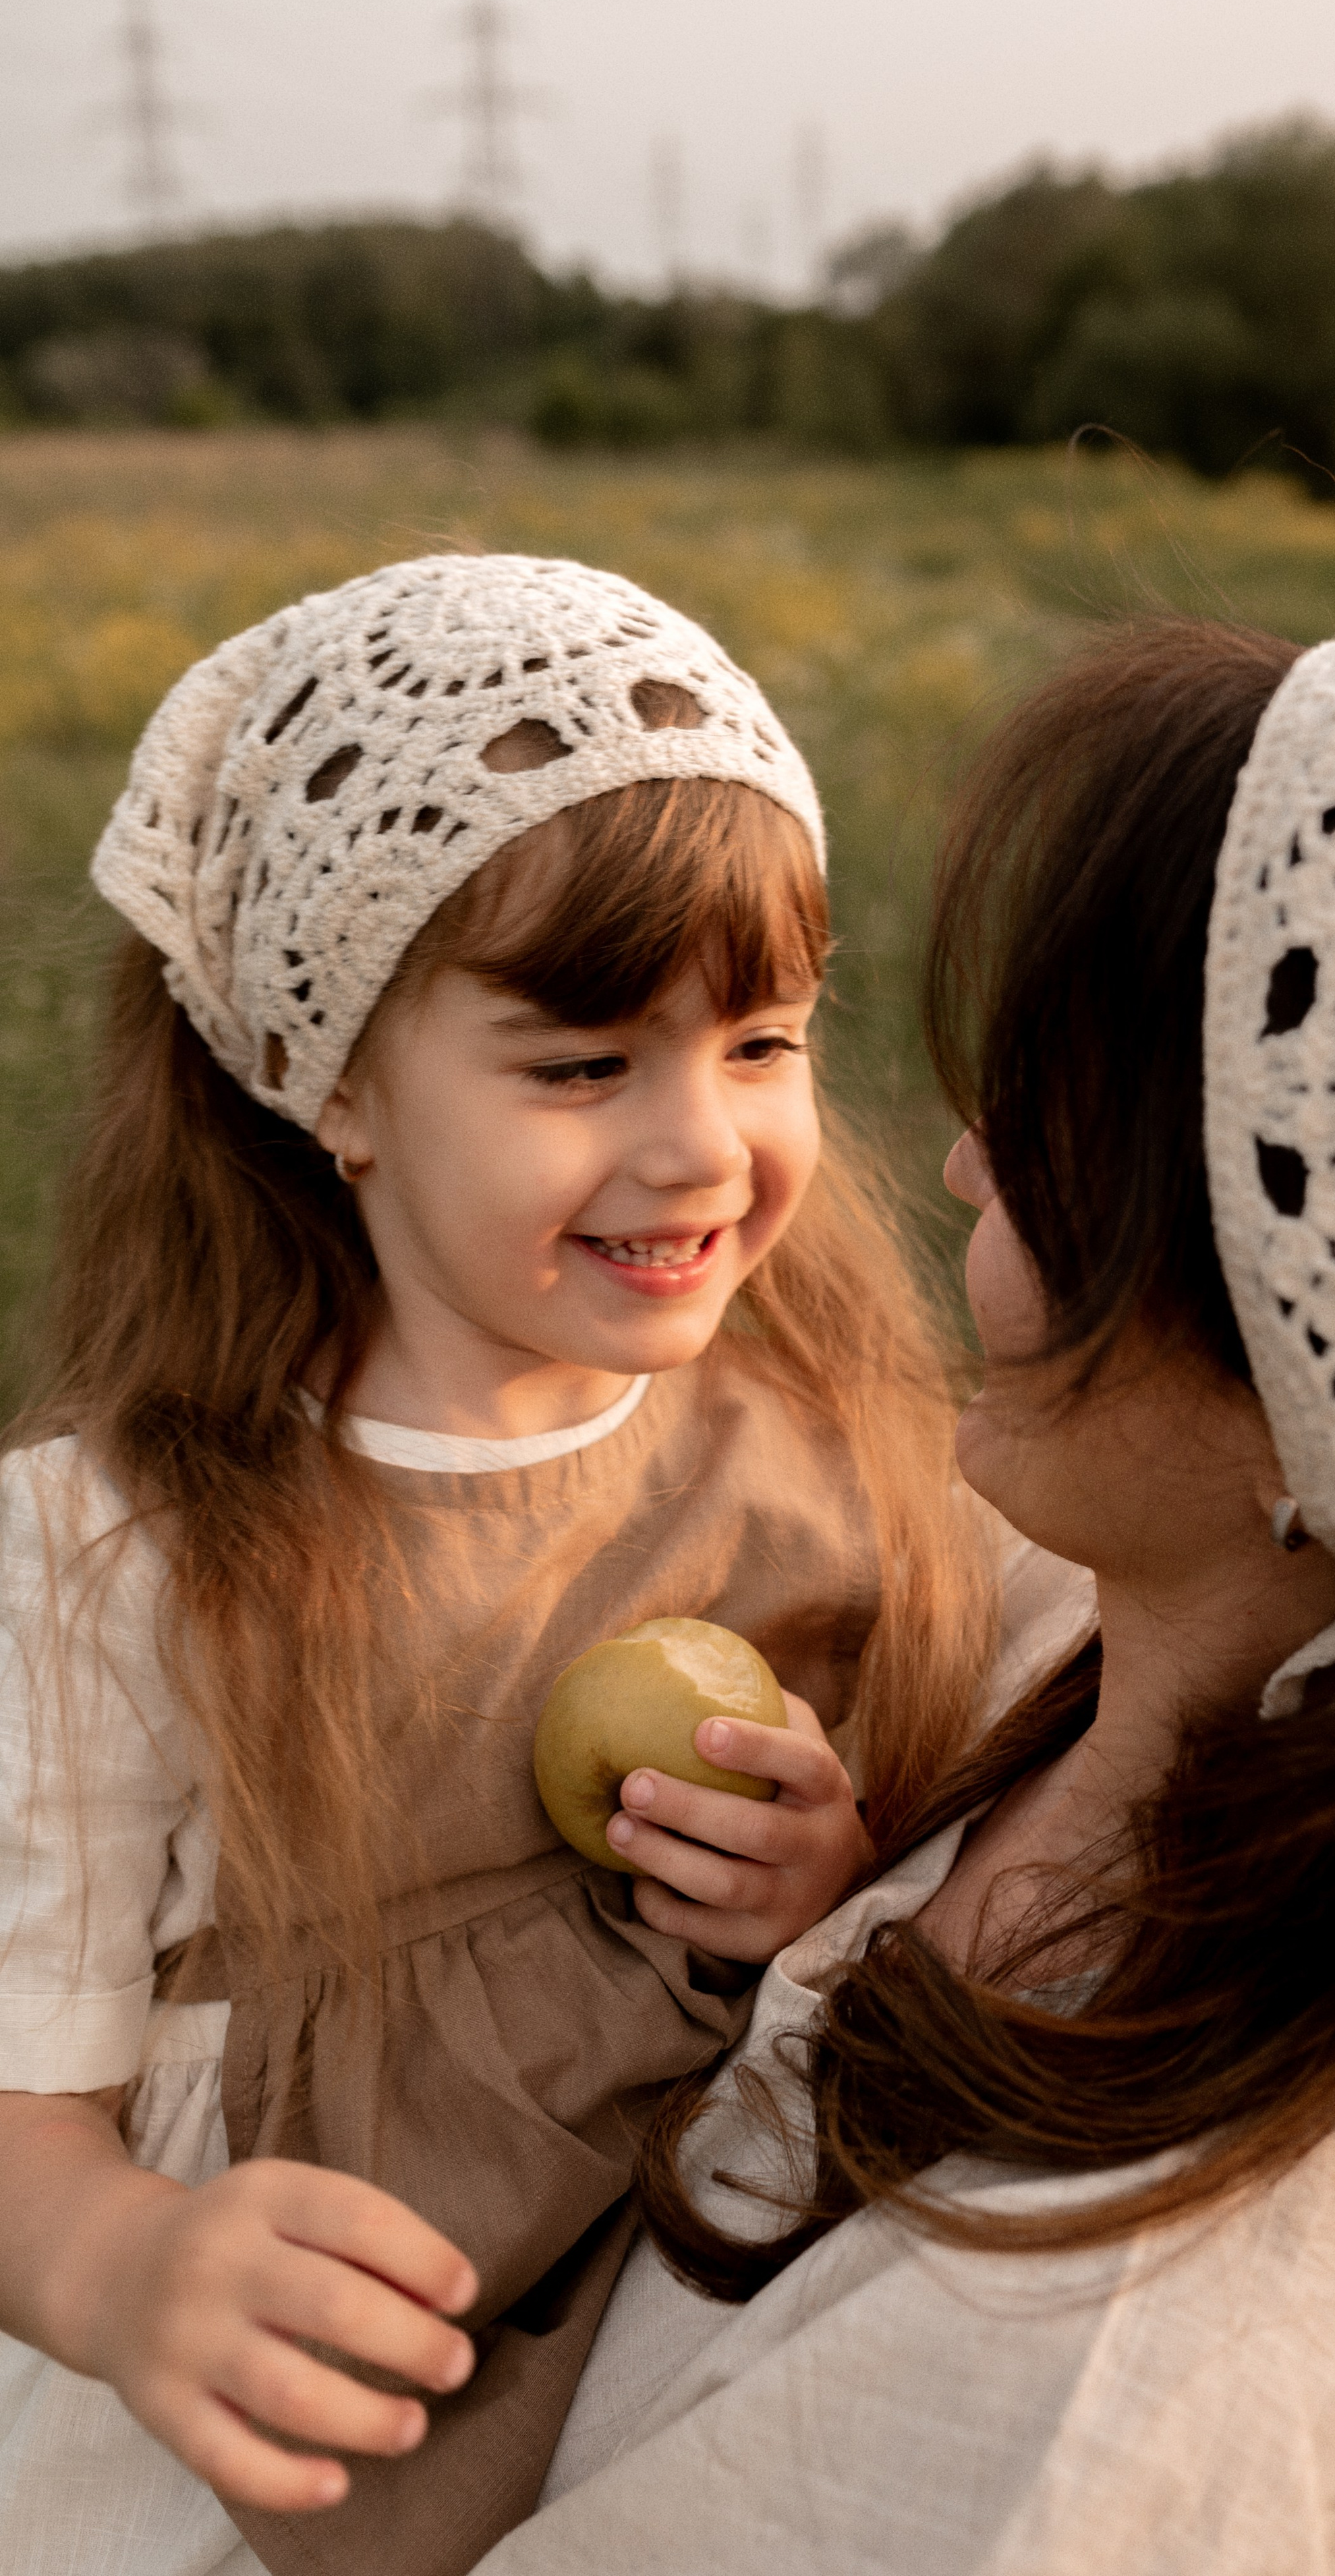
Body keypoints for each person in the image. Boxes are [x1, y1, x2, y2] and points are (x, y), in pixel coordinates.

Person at [477, 613, 1335, 2576]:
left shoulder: (1103, 2398)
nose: (965, 1165)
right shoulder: (1151, 1653)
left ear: (1321, 1355)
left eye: (1061, 1132)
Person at [0, 556, 1089, 2576]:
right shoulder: (123, 1558)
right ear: (333, 1082)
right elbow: (18, 2094)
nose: (700, 1146)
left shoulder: (827, 1465)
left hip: (659, 2433)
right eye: (585, 1066)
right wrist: (118, 2267)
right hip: (236, 2459)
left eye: (759, 1040)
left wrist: (815, 1885)